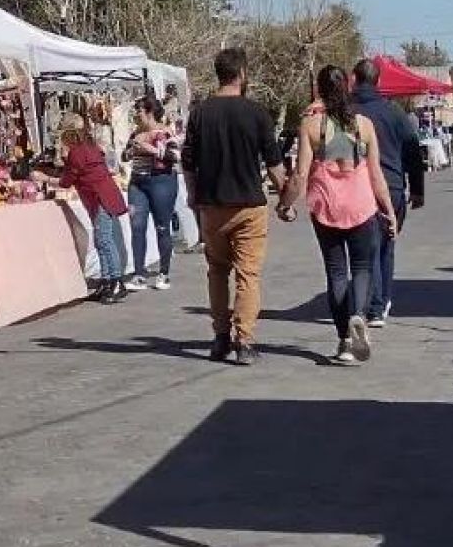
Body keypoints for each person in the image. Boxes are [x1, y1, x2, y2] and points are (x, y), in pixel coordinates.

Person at [277, 67, 397, 365]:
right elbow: (376, 174)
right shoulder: (363, 124)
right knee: (363, 268)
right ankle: (359, 316)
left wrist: (285, 204)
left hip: (326, 206)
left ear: (318, 89)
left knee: (336, 272)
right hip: (361, 205)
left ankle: (344, 339)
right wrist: (389, 211)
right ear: (347, 87)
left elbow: (300, 175)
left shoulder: (311, 125)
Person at [184, 47, 288, 365]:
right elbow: (273, 164)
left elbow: (188, 162)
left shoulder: (200, 113)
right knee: (248, 275)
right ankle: (244, 342)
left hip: (212, 205)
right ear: (242, 74)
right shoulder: (257, 114)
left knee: (217, 271)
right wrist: (286, 195)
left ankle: (219, 336)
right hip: (248, 205)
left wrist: (193, 197)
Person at [350, 60, 426, 329]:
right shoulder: (394, 112)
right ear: (379, 81)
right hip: (392, 185)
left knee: (366, 246)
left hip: (356, 186)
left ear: (354, 80)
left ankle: (373, 303)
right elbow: (413, 151)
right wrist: (417, 189)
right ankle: (378, 305)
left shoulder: (347, 112)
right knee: (385, 244)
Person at [35, 113, 129, 303]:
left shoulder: (77, 153)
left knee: (104, 240)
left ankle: (116, 281)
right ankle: (107, 280)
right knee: (101, 239)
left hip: (100, 197)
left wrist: (44, 178)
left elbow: (67, 181)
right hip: (103, 196)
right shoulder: (89, 148)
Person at [122, 97, 180, 292]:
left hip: (161, 181)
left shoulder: (165, 132)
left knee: (162, 227)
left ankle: (164, 273)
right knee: (137, 226)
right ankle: (139, 274)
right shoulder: (136, 132)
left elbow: (175, 156)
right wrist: (131, 150)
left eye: (138, 110)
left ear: (149, 112)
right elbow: (125, 155)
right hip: (137, 183)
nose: (135, 114)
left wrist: (151, 149)